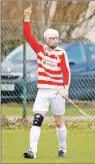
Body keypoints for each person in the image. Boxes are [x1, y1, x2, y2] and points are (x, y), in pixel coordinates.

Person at [23, 4, 71, 159]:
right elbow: (28, 35)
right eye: (51, 38)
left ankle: (62, 148)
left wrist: (66, 89)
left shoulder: (61, 53)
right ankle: (32, 151)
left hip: (57, 91)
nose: (54, 40)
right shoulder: (40, 50)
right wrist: (27, 18)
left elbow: (66, 72)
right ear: (45, 39)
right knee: (37, 120)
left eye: (56, 38)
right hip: (43, 91)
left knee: (58, 122)